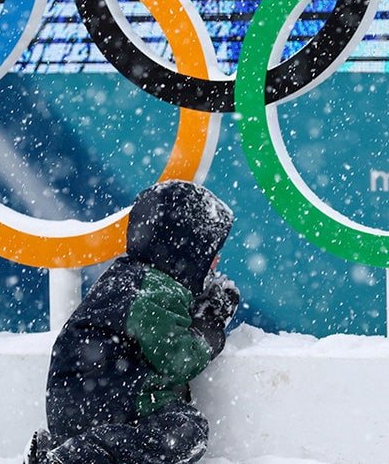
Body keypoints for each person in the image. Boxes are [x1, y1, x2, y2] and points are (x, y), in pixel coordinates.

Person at [28, 180, 240, 464]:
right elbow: (177, 358)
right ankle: (76, 458)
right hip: (112, 405)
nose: (215, 261)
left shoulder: (129, 279)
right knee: (188, 431)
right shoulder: (154, 291)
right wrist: (210, 325)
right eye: (208, 252)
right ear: (185, 252)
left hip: (80, 405)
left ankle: (71, 451)